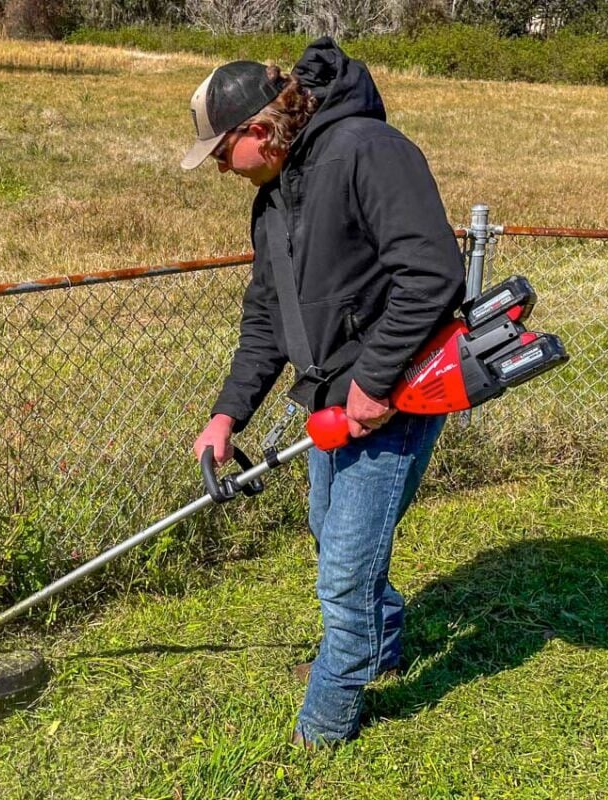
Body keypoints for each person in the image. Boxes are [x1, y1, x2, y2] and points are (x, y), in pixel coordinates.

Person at [181, 37, 465, 748]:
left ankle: (325, 723)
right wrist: (227, 414)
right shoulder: (275, 195)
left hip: (395, 398)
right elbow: (265, 317)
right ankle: (379, 640)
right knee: (330, 534)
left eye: (221, 151)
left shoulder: (368, 150)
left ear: (256, 130)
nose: (220, 167)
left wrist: (373, 384)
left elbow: (431, 273)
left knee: (344, 570)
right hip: (329, 404)